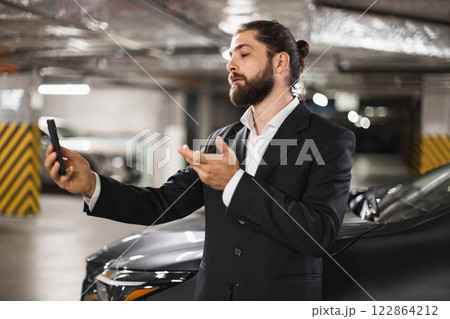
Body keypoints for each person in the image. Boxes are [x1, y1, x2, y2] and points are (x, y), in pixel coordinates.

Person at [45, 20, 355, 301]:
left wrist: (235, 183)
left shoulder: (329, 140)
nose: (230, 65)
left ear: (280, 62)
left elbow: (319, 234)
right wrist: (92, 184)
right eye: (230, 56)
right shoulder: (223, 138)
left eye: (243, 54)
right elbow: (163, 202)